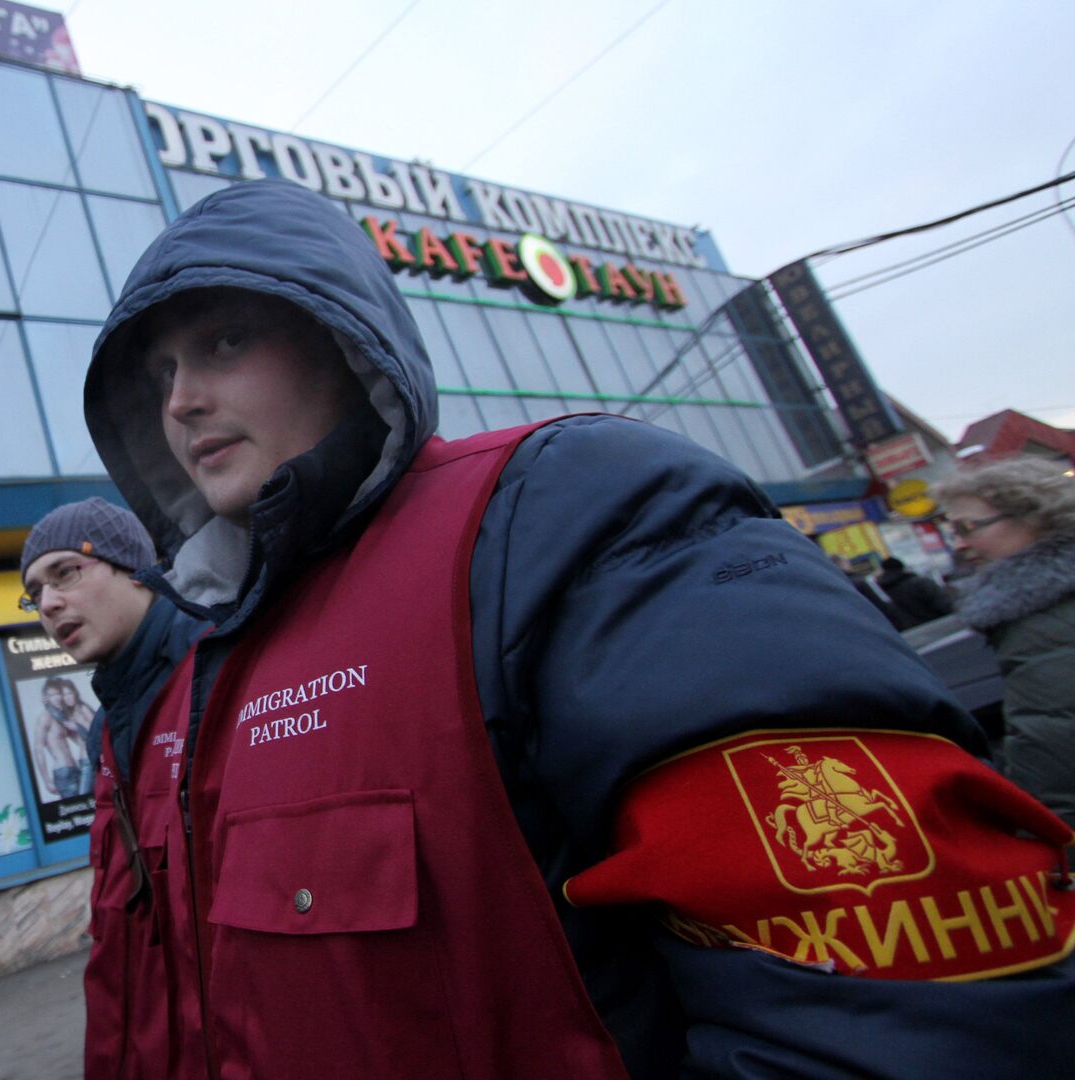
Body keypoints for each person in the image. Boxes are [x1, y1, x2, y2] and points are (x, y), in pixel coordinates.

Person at [78, 179, 1075, 1079]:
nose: (180, 401)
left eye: (220, 343)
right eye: (160, 370)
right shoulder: (204, 662)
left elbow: (897, 1013)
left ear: (340, 336)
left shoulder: (570, 512)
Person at [18, 495, 206, 1080]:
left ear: (134, 568)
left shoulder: (220, 676)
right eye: (34, 594)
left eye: (65, 572)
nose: (48, 604)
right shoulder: (105, 727)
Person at [936, 458, 1075, 831]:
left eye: (969, 527)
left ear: (1036, 516)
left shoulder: (1041, 616)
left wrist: (1050, 845)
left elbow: (1057, 748)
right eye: (953, 531)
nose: (961, 545)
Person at [34, 676, 93, 799]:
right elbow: (38, 749)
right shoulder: (45, 717)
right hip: (63, 772)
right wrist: (46, 780)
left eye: (58, 694)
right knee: (76, 807)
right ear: (46, 698)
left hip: (76, 768)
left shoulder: (62, 718)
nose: (57, 698)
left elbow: (81, 739)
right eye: (51, 695)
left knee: (87, 804)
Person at [876, 556, 956, 626]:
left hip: (913, 637)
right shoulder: (919, 582)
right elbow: (945, 605)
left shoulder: (883, 592)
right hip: (942, 627)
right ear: (902, 568)